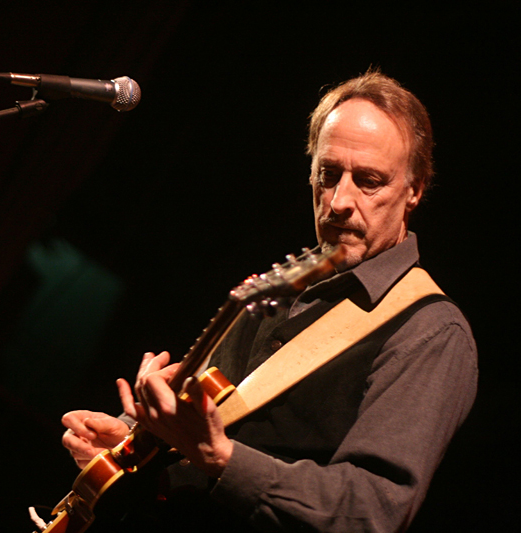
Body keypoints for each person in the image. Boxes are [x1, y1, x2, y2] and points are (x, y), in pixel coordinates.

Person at [60, 70, 478, 532]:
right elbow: (211, 437)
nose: (339, 201)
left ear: (414, 190)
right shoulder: (278, 287)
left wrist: (221, 457)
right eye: (328, 174)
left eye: (369, 181)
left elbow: (370, 512)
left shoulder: (430, 332)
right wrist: (138, 444)